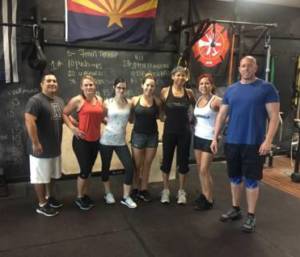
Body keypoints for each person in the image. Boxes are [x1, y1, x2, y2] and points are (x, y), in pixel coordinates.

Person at [211, 56, 280, 233]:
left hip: (254, 144)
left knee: (251, 179)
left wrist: (268, 140)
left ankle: (251, 215)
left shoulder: (267, 88)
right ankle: (235, 209)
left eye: (249, 66)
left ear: (256, 67)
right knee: (234, 177)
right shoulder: (231, 90)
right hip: (233, 141)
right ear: (239, 69)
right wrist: (215, 137)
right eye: (243, 66)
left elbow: (274, 117)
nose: (246, 68)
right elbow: (222, 115)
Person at [24, 72, 64, 217]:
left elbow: (62, 117)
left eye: (54, 80)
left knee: (52, 175)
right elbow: (29, 120)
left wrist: (74, 124)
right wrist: (35, 142)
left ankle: (50, 197)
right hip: (40, 149)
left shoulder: (59, 100)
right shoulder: (35, 101)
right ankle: (42, 204)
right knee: (40, 177)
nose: (52, 83)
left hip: (55, 149)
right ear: (42, 84)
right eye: (48, 81)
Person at [63, 75, 105, 211]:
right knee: (85, 170)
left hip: (95, 140)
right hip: (82, 141)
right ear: (81, 87)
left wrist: (108, 123)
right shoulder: (77, 100)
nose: (88, 87)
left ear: (95, 86)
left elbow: (100, 116)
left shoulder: (99, 99)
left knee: (89, 170)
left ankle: (85, 194)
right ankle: (80, 197)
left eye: (91, 84)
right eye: (86, 85)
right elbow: (64, 113)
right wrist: (72, 127)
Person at [99, 78, 137, 208]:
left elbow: (131, 119)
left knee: (130, 168)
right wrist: (110, 125)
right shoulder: (107, 102)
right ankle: (107, 193)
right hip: (106, 140)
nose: (121, 90)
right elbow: (102, 117)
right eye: (119, 87)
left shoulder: (130, 103)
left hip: (121, 141)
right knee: (105, 167)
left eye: (123, 88)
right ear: (114, 87)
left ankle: (126, 197)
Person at [160, 66, 195, 204]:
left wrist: (192, 122)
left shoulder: (189, 93)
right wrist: (163, 117)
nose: (180, 78)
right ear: (173, 76)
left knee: (183, 163)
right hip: (169, 132)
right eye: (178, 75)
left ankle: (181, 191)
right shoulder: (165, 91)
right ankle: (166, 190)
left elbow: (197, 107)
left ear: (186, 78)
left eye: (183, 75)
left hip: (184, 133)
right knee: (167, 161)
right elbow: (161, 109)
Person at [131, 73, 162, 202]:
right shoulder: (134, 100)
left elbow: (162, 117)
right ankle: (135, 188)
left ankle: (144, 189)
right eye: (147, 85)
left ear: (155, 87)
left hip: (152, 136)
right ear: (142, 85)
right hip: (138, 135)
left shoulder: (157, 101)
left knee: (147, 164)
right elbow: (130, 118)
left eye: (152, 86)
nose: (149, 88)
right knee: (137, 165)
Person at [193, 74, 221, 211]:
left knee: (204, 170)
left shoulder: (216, 101)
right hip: (198, 137)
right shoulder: (199, 99)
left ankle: (209, 200)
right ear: (199, 86)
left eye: (207, 83)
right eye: (201, 83)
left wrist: (217, 133)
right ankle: (205, 195)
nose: (204, 86)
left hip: (210, 139)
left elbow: (228, 114)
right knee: (201, 170)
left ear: (212, 85)